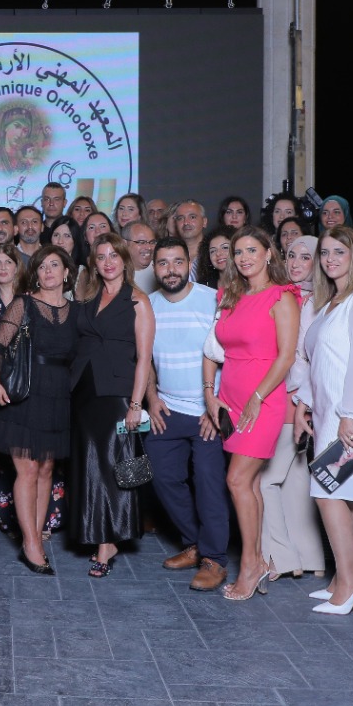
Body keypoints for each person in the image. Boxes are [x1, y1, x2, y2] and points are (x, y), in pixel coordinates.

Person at [294, 227, 353, 613]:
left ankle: (349, 582)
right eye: (325, 252)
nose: (330, 259)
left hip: (348, 414)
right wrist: (304, 403)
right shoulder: (329, 301)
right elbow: (318, 362)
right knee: (348, 495)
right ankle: (346, 577)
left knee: (326, 491)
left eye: (339, 252)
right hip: (327, 411)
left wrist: (351, 415)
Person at [206, 226, 299, 601]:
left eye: (251, 250)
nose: (244, 258)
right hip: (230, 399)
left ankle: (250, 565)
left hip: (263, 401)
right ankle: (258, 559)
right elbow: (214, 349)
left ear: (268, 253)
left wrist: (258, 396)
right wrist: (212, 395)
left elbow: (286, 357)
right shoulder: (230, 295)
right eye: (238, 252)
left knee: (237, 481)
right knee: (251, 485)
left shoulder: (282, 297)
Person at [144, 236, 228, 591]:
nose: (171, 270)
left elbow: (229, 356)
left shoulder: (212, 300)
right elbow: (144, 359)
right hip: (168, 408)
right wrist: (151, 397)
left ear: (188, 264)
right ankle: (194, 544)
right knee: (163, 477)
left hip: (207, 412)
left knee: (209, 484)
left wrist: (215, 405)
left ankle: (214, 559)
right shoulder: (147, 305)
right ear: (154, 268)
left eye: (177, 262)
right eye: (163, 263)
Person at [69, 233, 155, 578]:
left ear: (124, 260)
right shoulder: (87, 297)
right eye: (101, 256)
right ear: (94, 263)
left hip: (117, 393)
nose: (108, 262)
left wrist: (135, 404)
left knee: (111, 465)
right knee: (90, 464)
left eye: (113, 256)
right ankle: (96, 531)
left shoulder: (138, 301)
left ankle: (109, 542)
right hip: (83, 392)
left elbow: (145, 358)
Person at [0, 244, 76, 574]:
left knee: (46, 470)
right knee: (26, 470)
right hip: (24, 395)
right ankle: (31, 543)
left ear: (66, 273)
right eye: (42, 266)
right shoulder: (22, 304)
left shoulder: (76, 311)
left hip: (59, 396)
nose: (48, 271)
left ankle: (35, 536)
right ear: (36, 274)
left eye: (54, 265)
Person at [260, 235, 325, 583]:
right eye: (291, 256)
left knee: (265, 480)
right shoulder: (301, 297)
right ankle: (310, 557)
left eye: (305, 257)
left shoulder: (310, 303)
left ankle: (281, 557)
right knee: (296, 480)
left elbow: (302, 358)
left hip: (292, 397)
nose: (296, 263)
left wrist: (303, 400)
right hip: (300, 397)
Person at [124, 222, 157, 294]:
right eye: (141, 242)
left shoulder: (160, 270)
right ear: (125, 244)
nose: (149, 247)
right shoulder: (116, 274)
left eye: (152, 242)